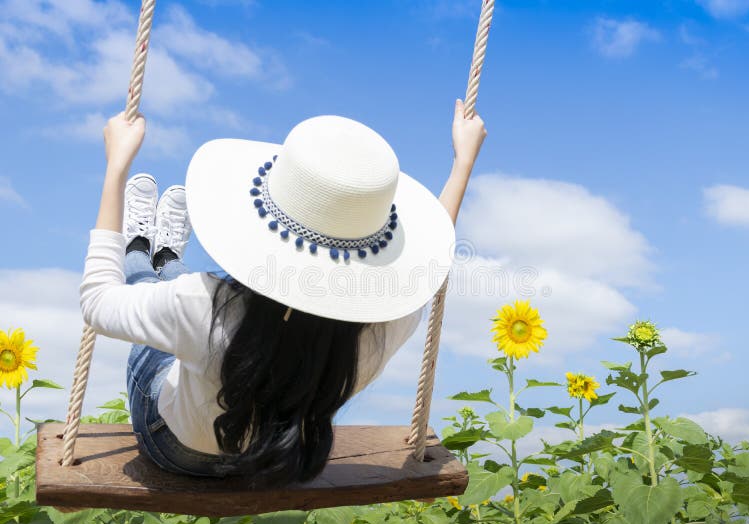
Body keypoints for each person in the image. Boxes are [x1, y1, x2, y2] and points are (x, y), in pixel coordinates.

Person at [80, 99, 486, 482]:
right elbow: (428, 268)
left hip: (174, 448)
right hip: (275, 462)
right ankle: (167, 255)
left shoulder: (201, 303)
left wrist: (116, 168)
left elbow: (98, 302)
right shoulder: (382, 328)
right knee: (182, 304)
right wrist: (462, 165)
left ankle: (138, 246)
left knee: (153, 318)